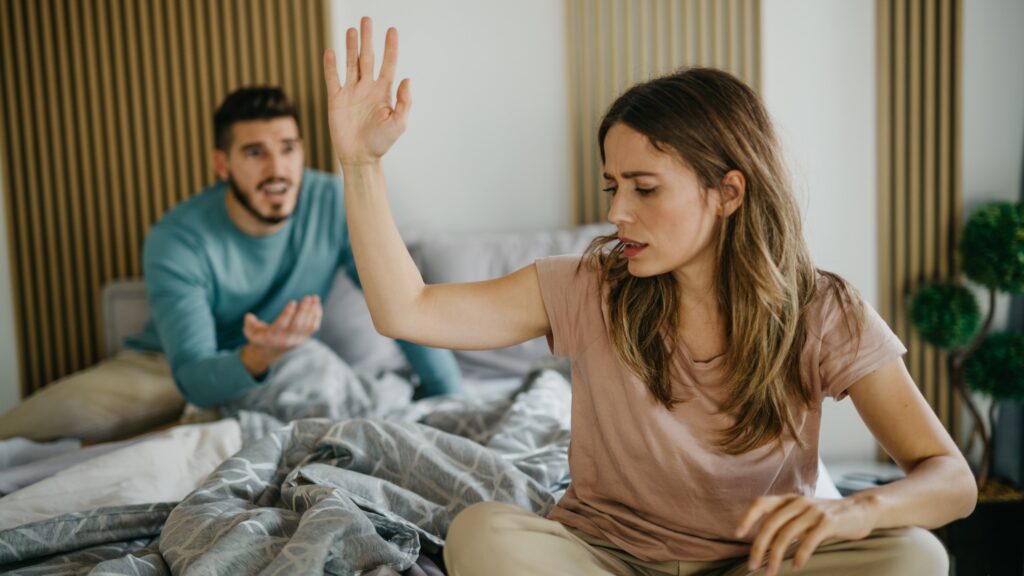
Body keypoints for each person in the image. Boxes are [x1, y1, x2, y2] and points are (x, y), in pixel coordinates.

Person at [322, 18, 977, 576]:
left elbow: (951, 476)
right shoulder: (587, 284)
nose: (618, 212)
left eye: (644, 187)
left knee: (916, 556)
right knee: (482, 534)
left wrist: (857, 510)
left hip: (758, 563)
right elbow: (406, 310)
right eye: (613, 187)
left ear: (728, 192)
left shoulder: (824, 309)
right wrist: (361, 164)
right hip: (607, 557)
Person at [0, 86, 461, 443]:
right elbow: (195, 375)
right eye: (254, 152)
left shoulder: (332, 204)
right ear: (222, 164)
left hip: (283, 364)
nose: (277, 169)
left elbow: (402, 302)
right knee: (33, 426)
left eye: (288, 148)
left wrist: (449, 399)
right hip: (170, 369)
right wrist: (256, 354)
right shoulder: (178, 237)